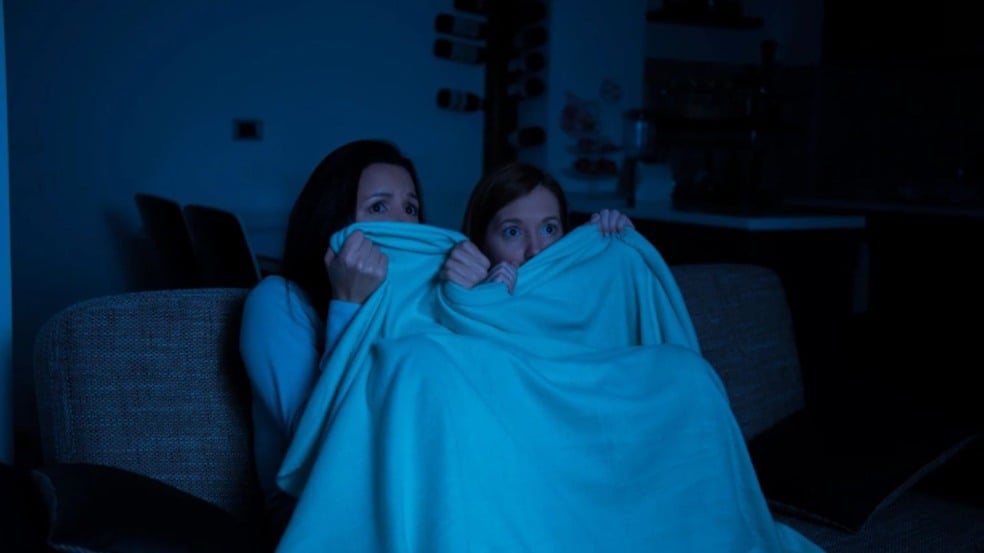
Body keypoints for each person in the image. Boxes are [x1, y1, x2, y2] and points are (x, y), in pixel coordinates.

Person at [238, 138, 425, 547]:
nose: (403, 224)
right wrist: (348, 308)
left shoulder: (414, 310)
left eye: (410, 208)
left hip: (407, 497)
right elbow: (325, 452)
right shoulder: (277, 302)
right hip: (316, 515)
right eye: (379, 207)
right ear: (334, 220)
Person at [441, 161, 633, 293]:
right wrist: (486, 302)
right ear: (481, 243)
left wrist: (624, 252)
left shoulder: (585, 290)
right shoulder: (461, 306)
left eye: (549, 229)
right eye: (512, 232)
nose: (535, 250)